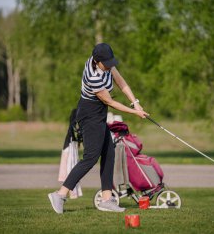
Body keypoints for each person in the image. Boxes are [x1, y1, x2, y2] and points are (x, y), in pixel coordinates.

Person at [48, 43, 148, 214]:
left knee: (109, 153)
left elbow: (121, 81)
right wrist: (135, 112)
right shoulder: (93, 76)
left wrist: (136, 103)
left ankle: (107, 200)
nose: (110, 66)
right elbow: (110, 102)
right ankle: (60, 194)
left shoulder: (105, 63)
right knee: (90, 158)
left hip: (99, 114)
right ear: (97, 61)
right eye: (107, 63)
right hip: (89, 115)